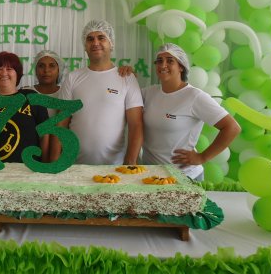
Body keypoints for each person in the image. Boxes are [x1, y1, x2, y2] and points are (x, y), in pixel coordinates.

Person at [50, 19, 143, 165]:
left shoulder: (126, 78)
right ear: (85, 46)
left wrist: (130, 163)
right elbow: (61, 124)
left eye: (101, 38)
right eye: (90, 39)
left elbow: (136, 125)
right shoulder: (73, 78)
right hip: (74, 167)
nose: (95, 43)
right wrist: (54, 165)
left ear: (111, 43)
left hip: (114, 169)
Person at [142, 43, 241, 180]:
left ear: (181, 67)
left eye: (170, 61)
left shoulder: (194, 96)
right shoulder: (149, 93)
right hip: (151, 175)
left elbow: (232, 127)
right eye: (159, 61)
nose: (163, 65)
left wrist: (202, 157)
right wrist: (126, 74)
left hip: (184, 177)